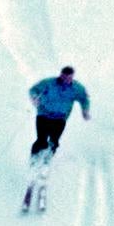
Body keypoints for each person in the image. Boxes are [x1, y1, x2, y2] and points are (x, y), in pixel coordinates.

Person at [22, 65, 90, 209]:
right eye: (64, 76)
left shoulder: (76, 88)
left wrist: (85, 110)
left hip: (60, 118)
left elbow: (84, 97)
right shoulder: (49, 83)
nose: (66, 79)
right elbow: (33, 90)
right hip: (44, 115)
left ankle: (47, 158)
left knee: (54, 141)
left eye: (69, 77)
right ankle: (35, 159)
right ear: (61, 75)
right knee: (41, 139)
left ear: (72, 77)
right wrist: (35, 98)